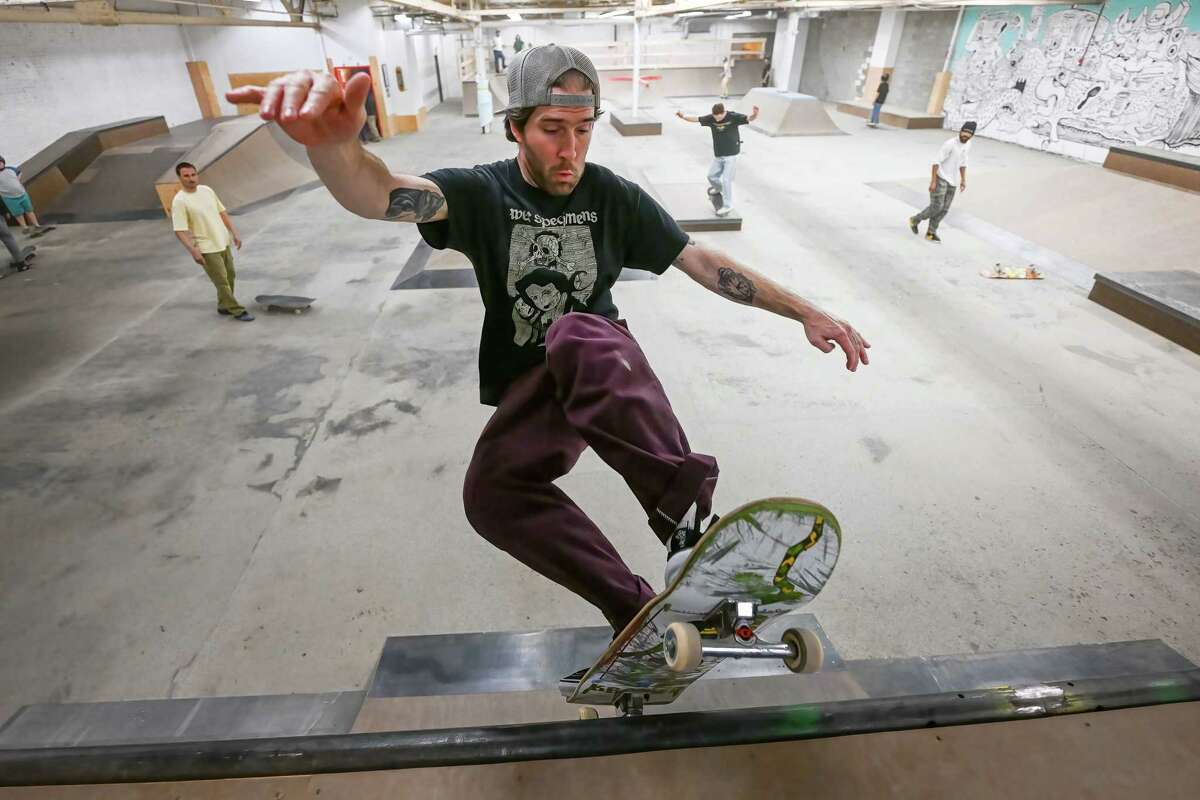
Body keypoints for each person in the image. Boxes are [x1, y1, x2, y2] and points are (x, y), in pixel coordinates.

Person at [226, 45, 869, 637]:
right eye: (553, 132)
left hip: (601, 366)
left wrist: (806, 311)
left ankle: (689, 529)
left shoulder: (613, 195)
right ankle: (635, 609)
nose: (571, 151)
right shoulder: (481, 192)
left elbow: (699, 260)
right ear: (515, 128)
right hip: (534, 383)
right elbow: (381, 195)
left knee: (576, 331)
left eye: (584, 131)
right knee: (491, 495)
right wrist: (335, 150)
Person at [170, 162, 254, 321]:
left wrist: (234, 232)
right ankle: (237, 310)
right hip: (206, 247)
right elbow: (179, 230)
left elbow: (222, 212)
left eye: (193, 174)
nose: (191, 178)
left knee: (230, 275)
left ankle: (223, 306)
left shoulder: (207, 190)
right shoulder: (180, 201)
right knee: (221, 281)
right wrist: (193, 250)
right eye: (186, 176)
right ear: (180, 178)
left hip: (222, 241)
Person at [675, 102, 759, 217]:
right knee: (711, 176)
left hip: (731, 155)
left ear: (723, 112)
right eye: (715, 117)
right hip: (719, 155)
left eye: (719, 116)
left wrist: (755, 114)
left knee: (726, 181)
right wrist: (683, 116)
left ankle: (727, 206)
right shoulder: (711, 118)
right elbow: (696, 119)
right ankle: (718, 188)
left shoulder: (733, 117)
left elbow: (749, 118)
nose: (717, 119)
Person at [909, 121, 975, 243]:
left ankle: (931, 233)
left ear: (972, 135)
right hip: (941, 178)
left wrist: (963, 180)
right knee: (937, 206)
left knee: (944, 209)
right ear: (960, 131)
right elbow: (936, 162)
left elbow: (963, 163)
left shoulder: (968, 145)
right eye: (964, 131)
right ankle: (915, 219)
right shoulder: (950, 144)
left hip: (953, 182)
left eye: (969, 133)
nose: (966, 134)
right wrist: (933, 181)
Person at [0, 155, 48, 236]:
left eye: (0, 162)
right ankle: (25, 227)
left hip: (22, 193)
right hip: (9, 197)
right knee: (18, 213)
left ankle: (36, 225)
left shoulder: (10, 169)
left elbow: (19, 172)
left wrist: (17, 181)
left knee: (29, 210)